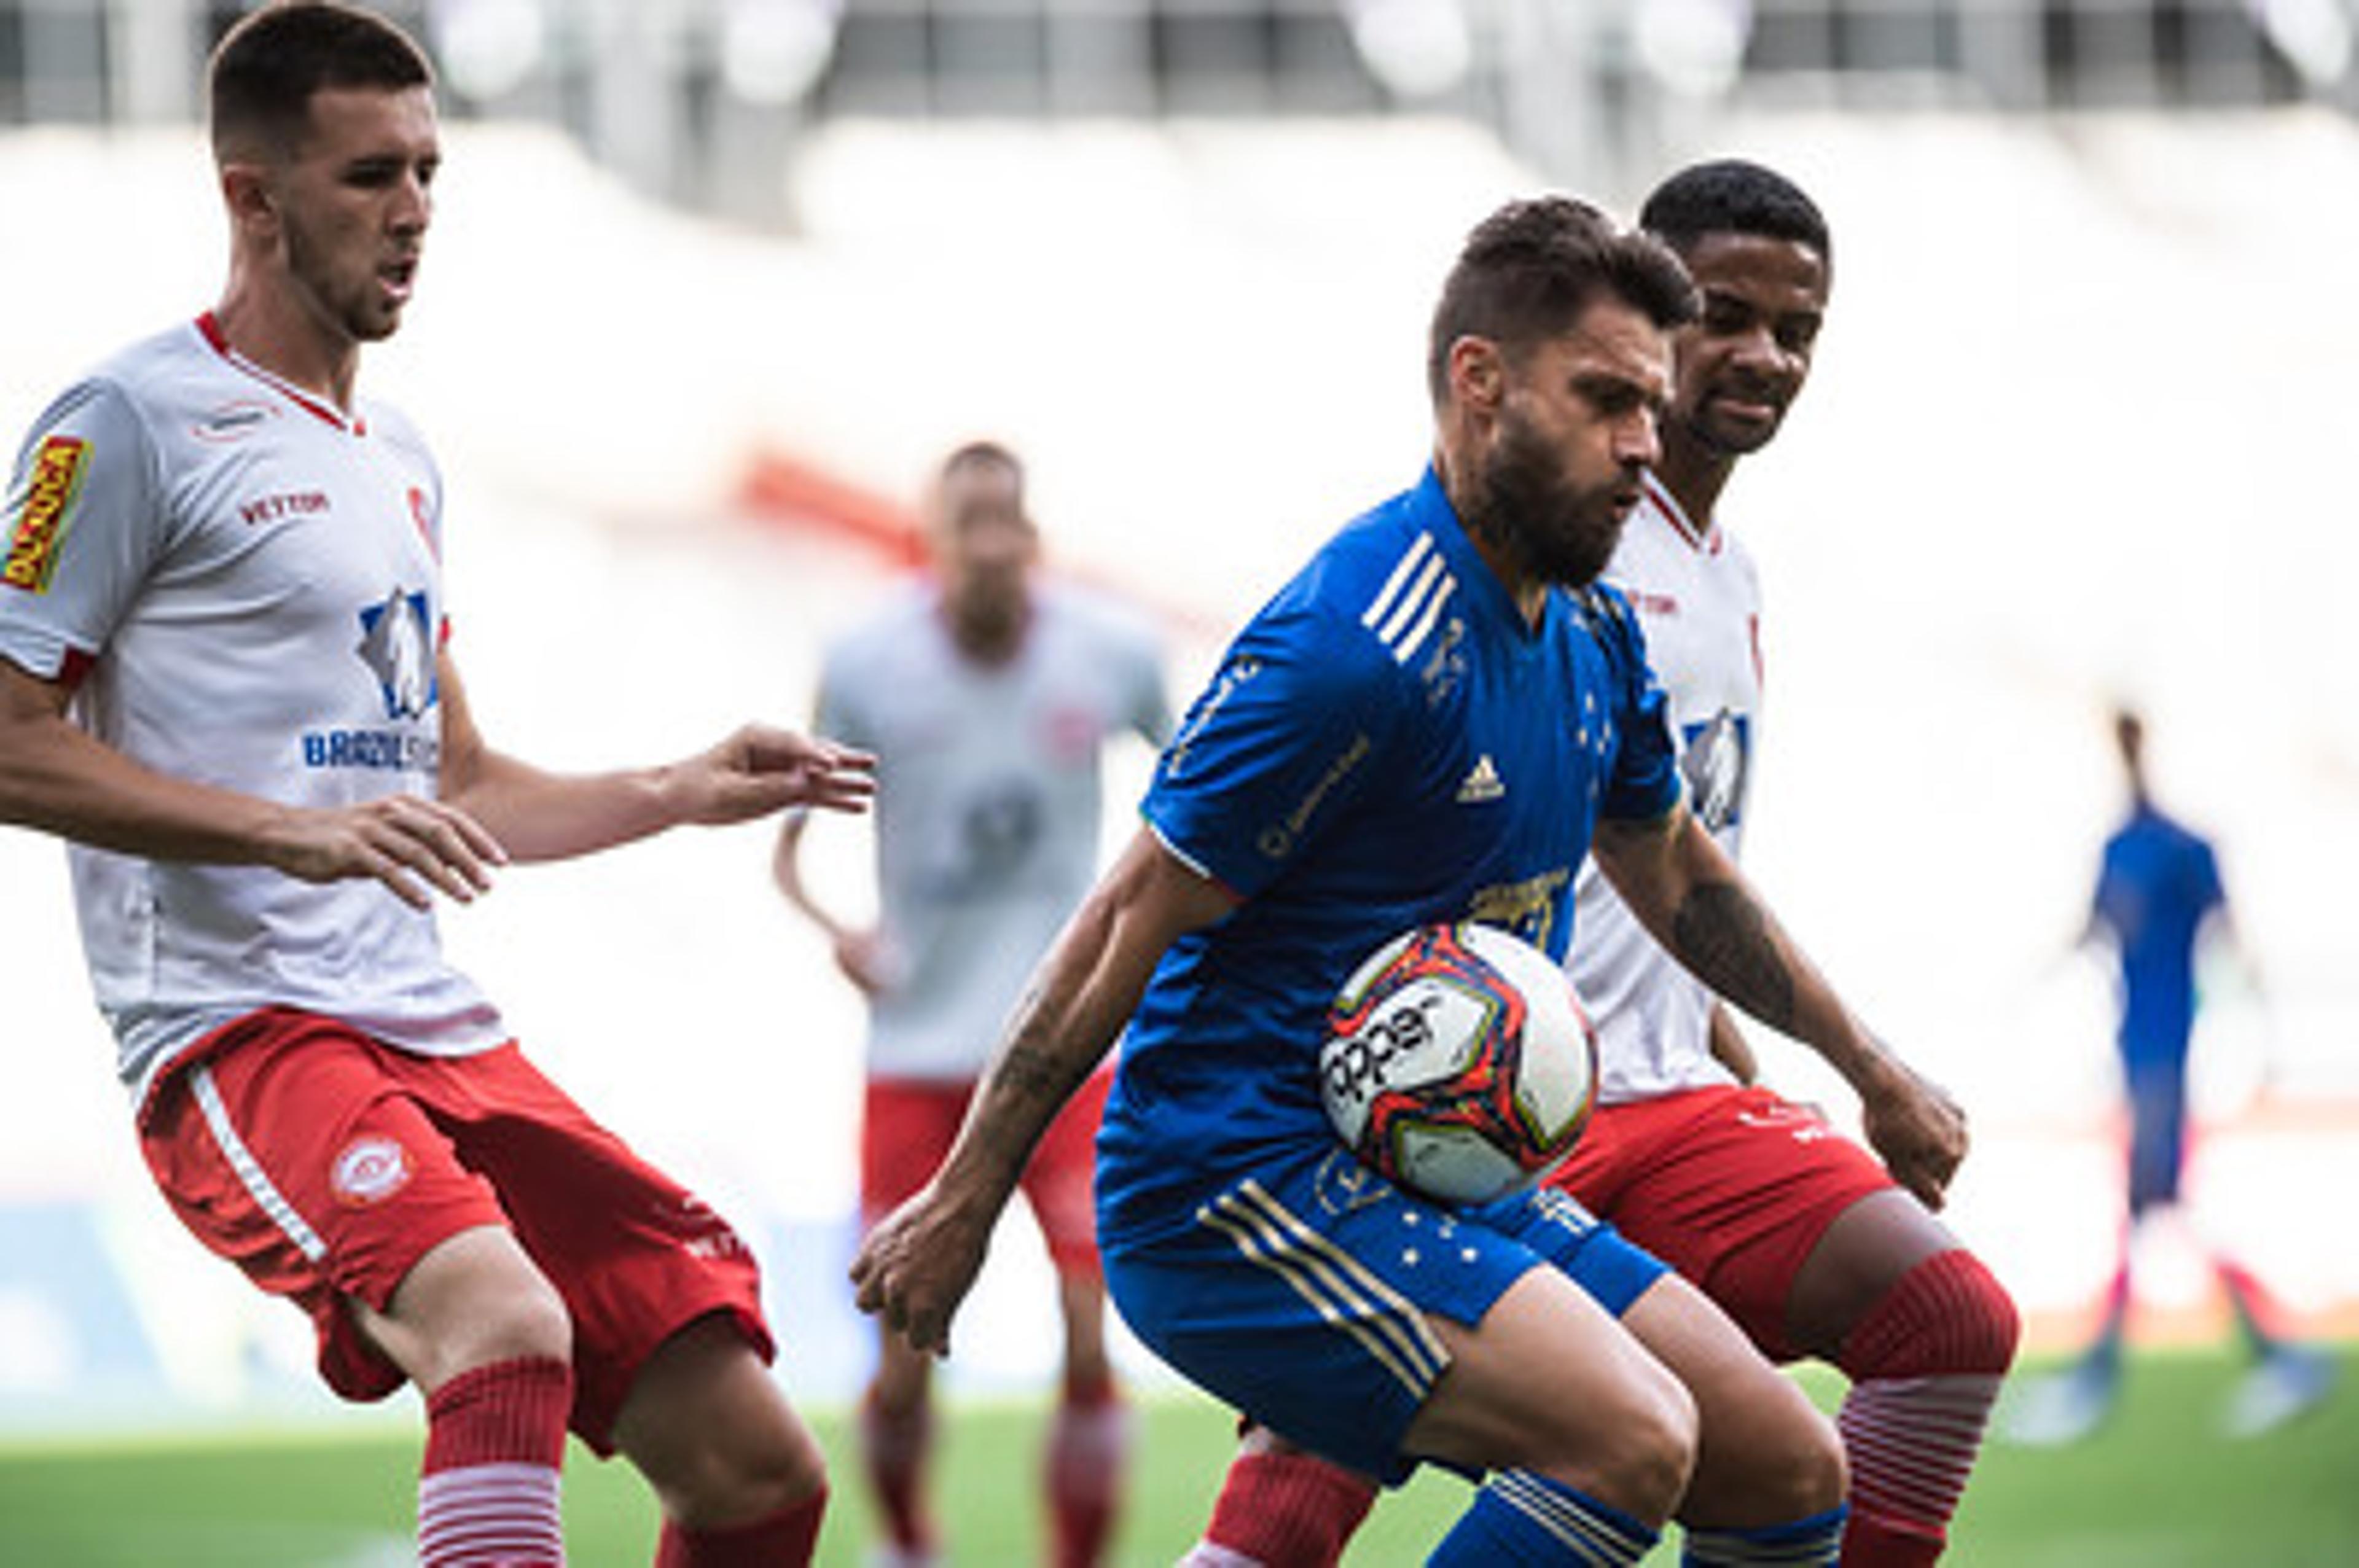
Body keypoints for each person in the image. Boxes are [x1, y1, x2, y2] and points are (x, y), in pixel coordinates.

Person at [848, 193, 1947, 1567]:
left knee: (1783, 1463)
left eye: (1649, 409)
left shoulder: (1596, 626)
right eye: (1606, 400)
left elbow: (1674, 869)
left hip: (1432, 1171)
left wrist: (1867, 1063)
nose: (1641, 446)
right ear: (1478, 385)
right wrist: (963, 1201)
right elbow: (1130, 908)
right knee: (1629, 1437)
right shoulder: (1358, 641)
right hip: (1234, 1177)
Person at [0, 6, 875, 1565]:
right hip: (242, 1028)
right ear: (250, 196)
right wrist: (288, 829)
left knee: (755, 1466)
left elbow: (456, 779)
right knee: (503, 1324)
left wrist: (676, 783)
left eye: (426, 170)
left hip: (432, 1026)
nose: (411, 210)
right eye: (365, 176)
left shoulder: (394, 453)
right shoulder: (125, 421)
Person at [1187, 162, 2019, 1568]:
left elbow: (1662, 859)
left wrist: (1723, 1041)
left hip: (1655, 1089)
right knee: (1307, 1473)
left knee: (1944, 1322)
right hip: (1473, 1099)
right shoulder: (1534, 540)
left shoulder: (1719, 565)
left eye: (1795, 328)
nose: (1760, 355)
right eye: (1724, 316)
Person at [773, 439, 1170, 1567]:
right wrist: (837, 929)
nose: (993, 546)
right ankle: (906, 1545)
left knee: (1094, 1323)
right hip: (918, 1049)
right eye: (970, 525)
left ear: (1033, 538)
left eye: (1010, 523)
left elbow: (1194, 788)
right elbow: (793, 844)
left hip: (1070, 1042)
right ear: (933, 541)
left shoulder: (1110, 650)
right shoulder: (865, 660)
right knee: (900, 1344)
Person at [2006, 705, 2333, 1445]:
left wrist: (2264, 1033)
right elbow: (2091, 930)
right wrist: (2033, 983)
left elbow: (2233, 938)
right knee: (2158, 1206)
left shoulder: (2183, 848)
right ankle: (2274, 1355)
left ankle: (2108, 1377)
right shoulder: (2117, 847)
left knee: (2148, 1205)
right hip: (2135, 1050)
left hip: (2169, 1052)